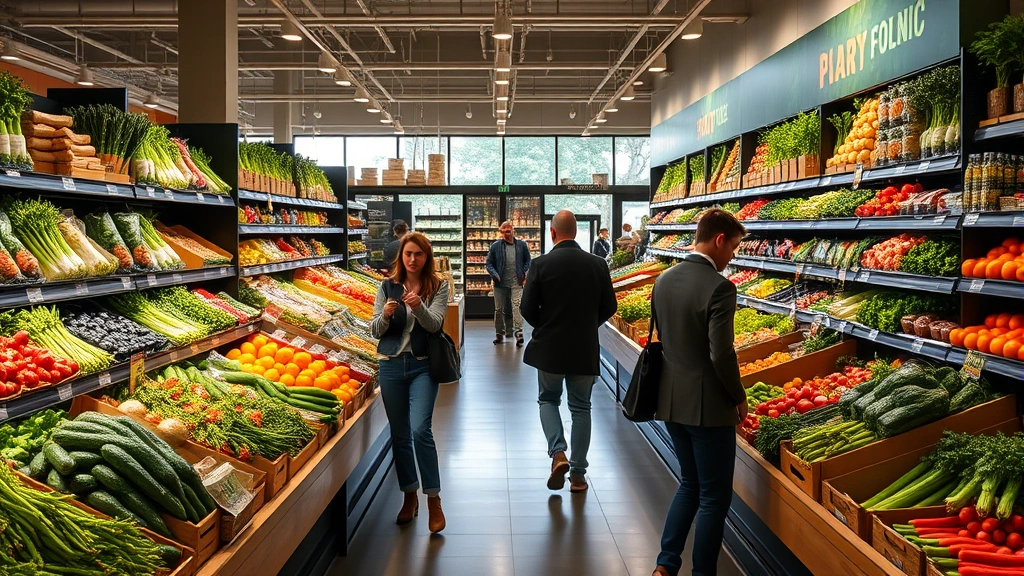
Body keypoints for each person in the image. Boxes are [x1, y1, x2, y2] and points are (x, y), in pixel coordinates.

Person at [649, 209, 747, 576]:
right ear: (719, 239)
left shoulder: (664, 279)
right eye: (734, 246)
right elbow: (720, 352)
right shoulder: (720, 287)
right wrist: (739, 396)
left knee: (689, 484)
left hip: (670, 400)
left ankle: (665, 564)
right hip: (708, 408)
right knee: (713, 499)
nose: (733, 255)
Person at [520, 210, 617, 492]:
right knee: (581, 408)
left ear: (553, 233)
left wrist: (547, 325)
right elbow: (610, 306)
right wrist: (587, 325)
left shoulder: (540, 265)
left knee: (548, 400)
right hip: (583, 348)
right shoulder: (597, 264)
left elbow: (526, 309)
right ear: (576, 232)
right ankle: (578, 475)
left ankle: (558, 453)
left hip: (549, 348)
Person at [369, 232, 449, 534]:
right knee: (401, 435)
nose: (412, 259)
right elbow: (375, 330)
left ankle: (434, 499)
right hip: (390, 367)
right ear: (401, 257)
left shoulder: (438, 287)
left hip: (422, 366)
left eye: (418, 254)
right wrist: (387, 315)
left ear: (427, 257)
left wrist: (418, 306)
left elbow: (434, 324)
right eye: (408, 254)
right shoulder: (386, 286)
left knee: (420, 430)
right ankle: (409, 495)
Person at [484, 220, 531, 347]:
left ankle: (519, 333)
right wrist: (495, 274)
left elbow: (528, 261)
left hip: (517, 282)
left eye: (508, 231)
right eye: (503, 232)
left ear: (513, 230)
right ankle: (499, 334)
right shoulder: (495, 246)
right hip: (499, 284)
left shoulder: (521, 245)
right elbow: (488, 263)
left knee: (516, 307)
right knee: (499, 310)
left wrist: (524, 271)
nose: (506, 234)